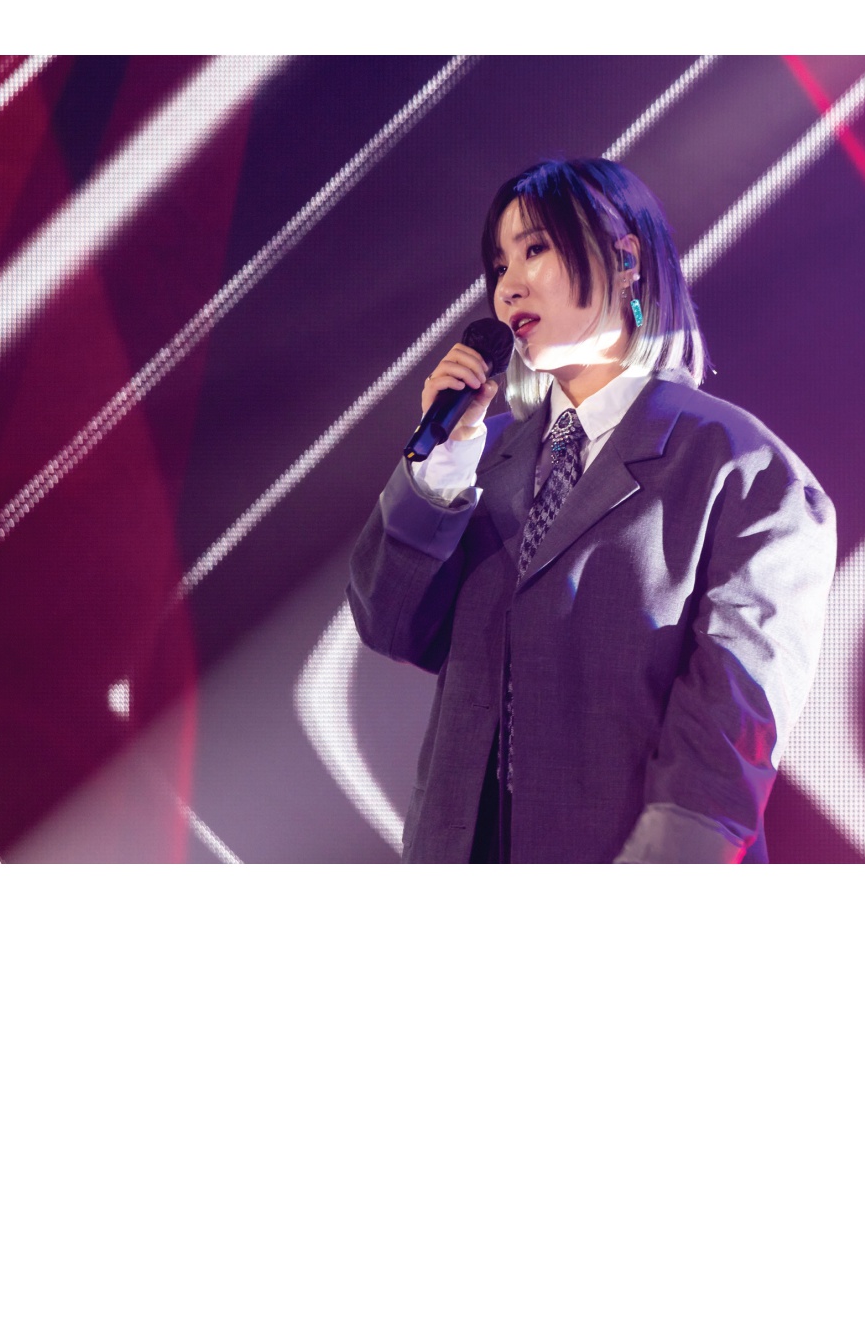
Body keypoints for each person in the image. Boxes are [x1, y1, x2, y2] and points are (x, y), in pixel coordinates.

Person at [346, 158, 836, 862]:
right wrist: (442, 463)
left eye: (535, 249)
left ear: (625, 258)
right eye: (499, 264)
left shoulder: (744, 469)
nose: (509, 285)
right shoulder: (490, 458)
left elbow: (728, 732)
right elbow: (392, 625)